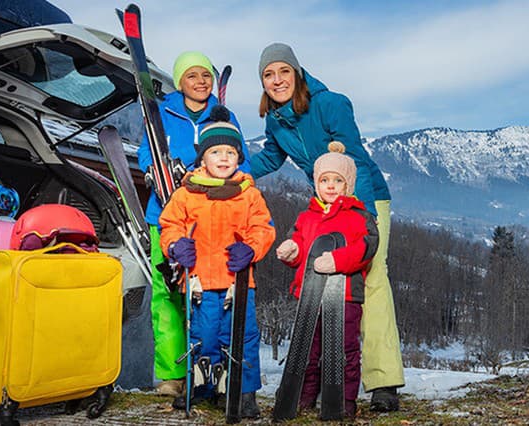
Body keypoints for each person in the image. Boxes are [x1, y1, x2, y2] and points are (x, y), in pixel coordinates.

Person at [251, 42, 404, 411]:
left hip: (363, 198)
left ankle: (383, 382)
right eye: (268, 75)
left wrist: (362, 216)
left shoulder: (330, 103)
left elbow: (353, 159)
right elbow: (272, 156)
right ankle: (324, 379)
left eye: (283, 71)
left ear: (297, 72)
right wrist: (231, 174)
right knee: (324, 284)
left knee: (371, 278)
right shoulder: (276, 119)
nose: (276, 80)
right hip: (324, 203)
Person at [137, 51, 251, 396]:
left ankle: (208, 371)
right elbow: (147, 150)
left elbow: (240, 156)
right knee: (169, 292)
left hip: (214, 218)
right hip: (167, 212)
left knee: (209, 296)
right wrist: (153, 172)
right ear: (179, 81)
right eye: (192, 76)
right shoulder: (163, 112)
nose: (200, 81)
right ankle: (172, 373)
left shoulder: (224, 114)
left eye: (205, 75)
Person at [159, 106, 275, 417]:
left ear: (239, 158)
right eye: (215, 152)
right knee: (203, 336)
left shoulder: (248, 194)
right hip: (198, 280)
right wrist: (176, 246)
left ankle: (242, 391)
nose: (224, 158)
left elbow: (263, 228)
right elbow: (169, 225)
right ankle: (202, 386)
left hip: (237, 282)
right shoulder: (186, 194)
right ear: (203, 158)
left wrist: (251, 249)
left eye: (230, 153)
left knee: (241, 337)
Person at [276, 142, 378, 419]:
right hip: (309, 296)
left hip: (344, 296)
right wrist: (292, 250)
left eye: (338, 180)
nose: (330, 186)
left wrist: (337, 260)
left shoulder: (360, 217)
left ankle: (343, 399)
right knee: (306, 349)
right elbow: (299, 244)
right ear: (316, 183)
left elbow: (367, 249)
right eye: (324, 180)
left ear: (349, 185)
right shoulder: (306, 216)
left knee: (343, 351)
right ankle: (305, 395)